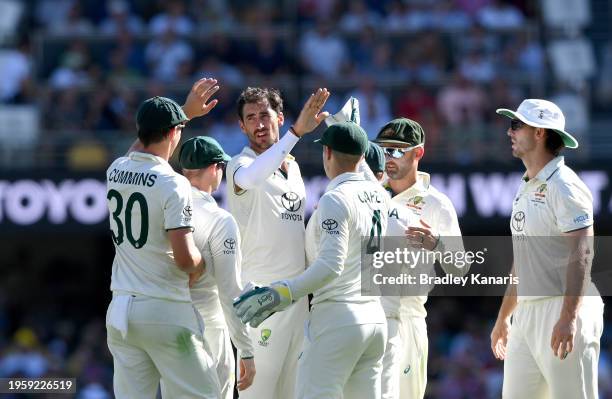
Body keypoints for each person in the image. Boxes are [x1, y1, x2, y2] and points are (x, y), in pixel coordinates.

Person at [234, 121, 391, 399]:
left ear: (327, 153)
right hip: (375, 321)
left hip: (337, 320)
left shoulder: (336, 199)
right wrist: (353, 129)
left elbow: (331, 266)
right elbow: (366, 174)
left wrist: (281, 292)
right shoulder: (380, 195)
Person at [105, 78, 222, 398]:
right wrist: (202, 264)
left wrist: (181, 113)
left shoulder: (116, 169)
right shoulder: (173, 184)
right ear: (174, 133)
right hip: (164, 310)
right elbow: (185, 260)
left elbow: (136, 152)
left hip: (120, 312)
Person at [490, 99, 603, 398]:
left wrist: (568, 318)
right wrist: (503, 318)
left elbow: (583, 254)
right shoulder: (525, 185)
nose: (509, 132)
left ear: (539, 132)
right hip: (526, 315)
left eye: (516, 125)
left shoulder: (565, 185)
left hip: (563, 309)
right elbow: (523, 261)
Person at [225, 87, 330, 399]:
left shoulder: (293, 168)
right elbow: (252, 178)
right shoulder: (238, 165)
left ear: (279, 118)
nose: (259, 124)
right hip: (262, 301)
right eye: (251, 118)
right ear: (241, 126)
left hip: (297, 300)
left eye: (265, 116)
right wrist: (297, 132)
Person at [374, 118, 467, 399]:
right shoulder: (369, 193)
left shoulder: (436, 203)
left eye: (398, 150)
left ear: (418, 153)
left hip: (406, 318)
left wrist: (436, 243)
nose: (389, 157)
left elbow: (460, 268)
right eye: (385, 150)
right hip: (365, 313)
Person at [176, 136, 256, 398]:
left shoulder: (162, 209)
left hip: (169, 327)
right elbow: (230, 293)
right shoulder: (220, 220)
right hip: (208, 329)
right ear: (214, 168)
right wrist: (246, 349)